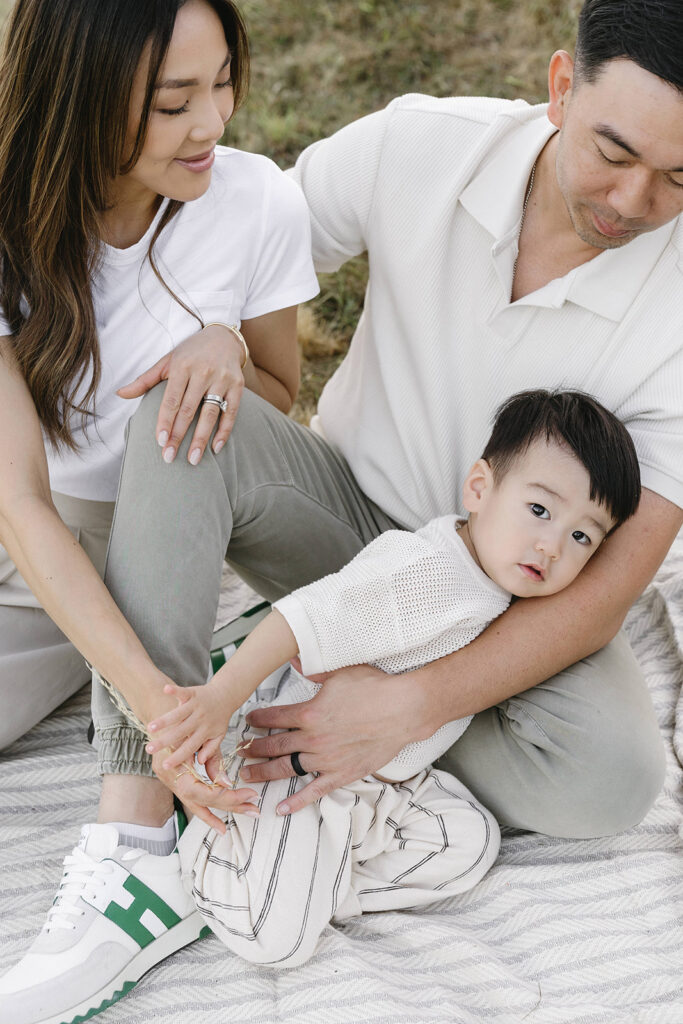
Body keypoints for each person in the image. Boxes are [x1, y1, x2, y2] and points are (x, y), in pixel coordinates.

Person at [2, 0, 682, 1017]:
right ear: (557, 87)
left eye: (678, 176)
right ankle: (137, 836)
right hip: (339, 526)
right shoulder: (418, 145)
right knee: (183, 411)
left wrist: (408, 703)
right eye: (612, 151)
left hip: (512, 593)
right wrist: (220, 336)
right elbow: (242, 234)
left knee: (613, 779)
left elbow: (604, 594)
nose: (632, 200)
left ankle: (309, 707)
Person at [0, 0, 318, 1020]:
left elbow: (275, 397)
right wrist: (160, 702)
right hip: (36, 542)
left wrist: (222, 344)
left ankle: (131, 843)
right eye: (172, 101)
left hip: (163, 521)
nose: (211, 122)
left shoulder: (255, 202)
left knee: (172, 426)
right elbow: (19, 503)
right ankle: (202, 664)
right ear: (79, 96)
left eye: (221, 81)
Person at [138, 389, 641, 968]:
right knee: (276, 944)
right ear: (479, 489)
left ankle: (308, 886)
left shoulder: (507, 597)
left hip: (382, 788)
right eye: (540, 511)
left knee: (470, 843)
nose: (551, 545)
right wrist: (220, 699)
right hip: (303, 770)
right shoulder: (426, 573)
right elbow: (303, 616)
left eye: (582, 536)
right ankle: (212, 864)